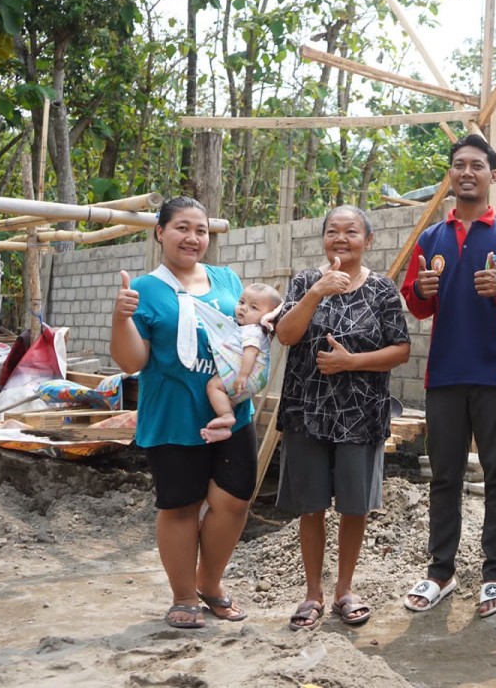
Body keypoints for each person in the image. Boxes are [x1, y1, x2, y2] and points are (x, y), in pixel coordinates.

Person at [401, 132, 496, 617]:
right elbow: (416, 306)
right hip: (443, 376)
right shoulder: (431, 238)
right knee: (443, 478)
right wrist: (421, 290)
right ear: (450, 175)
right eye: (458, 165)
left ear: (492, 175)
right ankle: (440, 572)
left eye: (476, 165)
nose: (467, 172)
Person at [110, 196, 254, 629]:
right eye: (182, 228)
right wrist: (121, 318)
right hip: (174, 414)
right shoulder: (145, 290)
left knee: (234, 501)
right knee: (180, 506)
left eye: (201, 230)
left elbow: (248, 326)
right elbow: (131, 362)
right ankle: (184, 595)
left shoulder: (226, 279)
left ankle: (210, 584)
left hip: (232, 413)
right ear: (160, 232)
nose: (193, 238)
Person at [274, 205, 410, 630]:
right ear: (323, 239)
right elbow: (285, 334)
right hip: (306, 410)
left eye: (352, 232)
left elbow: (400, 350)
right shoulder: (303, 281)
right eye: (333, 231)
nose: (341, 238)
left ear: (368, 241)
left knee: (355, 507)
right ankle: (312, 593)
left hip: (360, 413)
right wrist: (317, 292)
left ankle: (344, 590)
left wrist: (352, 362)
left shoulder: (383, 289)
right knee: (311, 506)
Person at [202, 282, 282, 443]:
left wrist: (243, 375)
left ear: (267, 316)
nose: (244, 308)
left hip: (249, 373)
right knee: (227, 399)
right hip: (257, 378)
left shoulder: (252, 330)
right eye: (241, 302)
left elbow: (250, 352)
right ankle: (224, 428)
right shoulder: (259, 330)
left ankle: (226, 416)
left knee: (214, 386)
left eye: (253, 307)